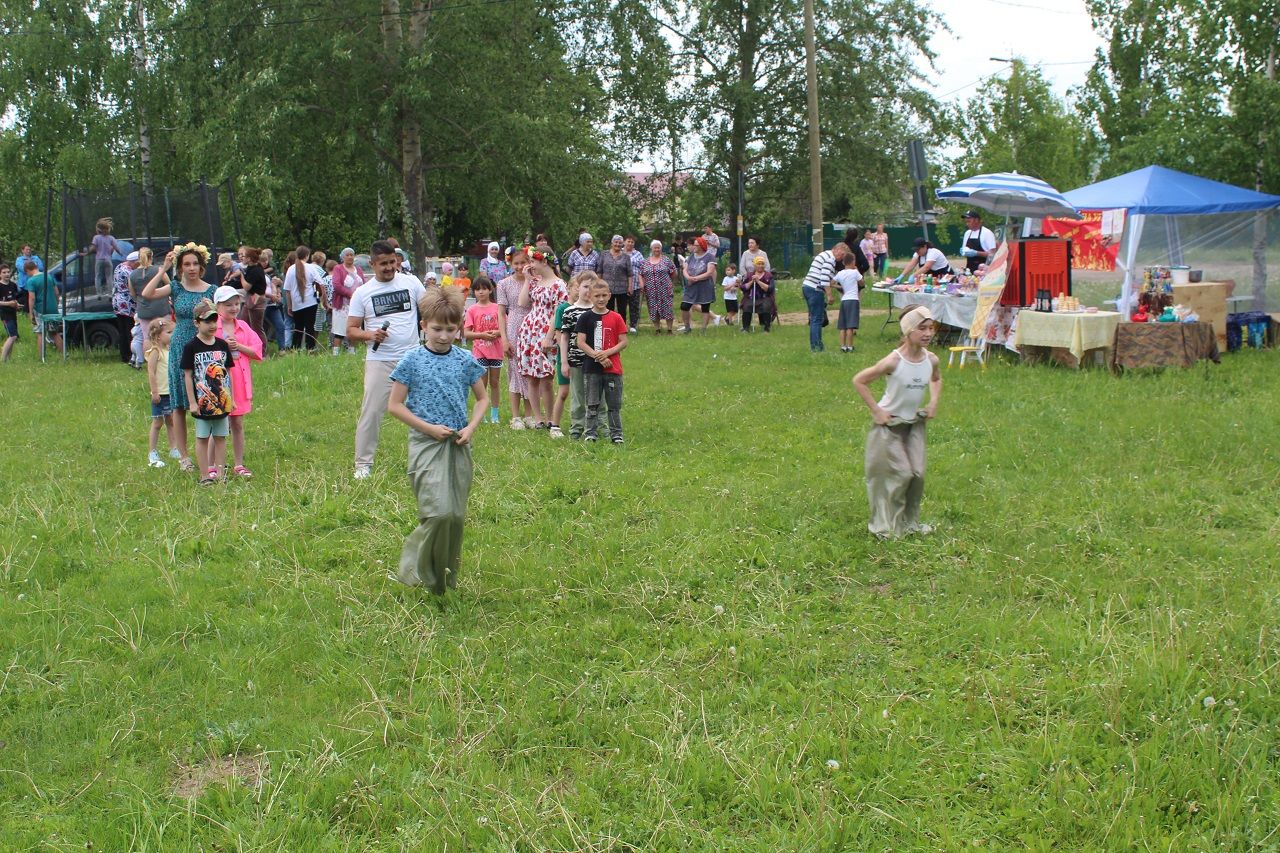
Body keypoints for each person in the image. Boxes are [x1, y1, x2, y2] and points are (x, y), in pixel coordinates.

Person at [387, 286, 488, 594]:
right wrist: (428, 428)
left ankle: (442, 581)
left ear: (458, 328)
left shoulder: (465, 360)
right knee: (438, 511)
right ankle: (414, 569)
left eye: (450, 328)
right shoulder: (412, 360)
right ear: (423, 326)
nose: (443, 335)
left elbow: (482, 399)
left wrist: (471, 428)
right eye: (436, 329)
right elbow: (394, 405)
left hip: (458, 442)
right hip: (426, 442)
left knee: (456, 516)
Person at [852, 305, 941, 539]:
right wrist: (877, 410)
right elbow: (860, 380)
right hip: (889, 426)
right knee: (900, 474)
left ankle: (910, 523)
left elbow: (936, 379)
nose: (928, 333)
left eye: (931, 328)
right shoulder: (893, 361)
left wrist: (933, 402)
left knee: (917, 475)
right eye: (922, 328)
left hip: (914, 424)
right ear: (908, 331)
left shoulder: (931, 359)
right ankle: (886, 526)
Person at [347, 239, 428, 479]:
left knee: (425, 408)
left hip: (413, 357)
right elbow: (350, 330)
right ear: (372, 264)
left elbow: (429, 310)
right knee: (371, 412)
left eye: (393, 262)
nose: (390, 267)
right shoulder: (363, 293)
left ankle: (428, 457)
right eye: (384, 264)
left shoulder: (411, 283)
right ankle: (363, 464)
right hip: (380, 360)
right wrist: (370, 334)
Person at [141, 242, 217, 472]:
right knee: (180, 405)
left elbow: (220, 316)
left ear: (201, 266)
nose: (191, 268)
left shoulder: (212, 289)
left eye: (195, 264)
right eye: (187, 264)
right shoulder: (176, 287)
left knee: (207, 400)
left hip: (204, 346)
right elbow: (147, 294)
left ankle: (209, 455)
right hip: (180, 346)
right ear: (181, 267)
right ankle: (184, 457)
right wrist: (163, 269)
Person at [181, 298, 235, 485]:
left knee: (220, 438)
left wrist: (232, 398)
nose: (212, 325)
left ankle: (220, 474)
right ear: (197, 323)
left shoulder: (222, 345)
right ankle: (205, 475)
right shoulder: (191, 347)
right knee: (202, 438)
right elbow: (188, 376)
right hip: (202, 402)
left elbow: (229, 373)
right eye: (207, 321)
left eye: (214, 320)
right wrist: (192, 402)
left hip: (222, 402)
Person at [212, 286, 264, 478]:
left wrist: (238, 346)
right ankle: (214, 464)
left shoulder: (243, 326)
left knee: (237, 423)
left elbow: (257, 352)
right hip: (218, 382)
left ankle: (239, 463)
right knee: (216, 423)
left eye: (236, 304)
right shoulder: (212, 327)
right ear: (217, 306)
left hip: (239, 381)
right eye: (228, 305)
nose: (233, 308)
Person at [515, 246, 567, 430]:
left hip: (546, 330)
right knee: (531, 377)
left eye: (533, 262)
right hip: (529, 330)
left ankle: (551, 417)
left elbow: (557, 312)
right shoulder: (535, 281)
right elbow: (522, 303)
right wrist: (527, 281)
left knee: (546, 377)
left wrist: (548, 336)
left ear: (544, 261)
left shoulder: (559, 284)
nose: (531, 265)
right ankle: (538, 419)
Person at [575, 279, 629, 444]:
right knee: (592, 403)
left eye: (604, 295)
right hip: (592, 369)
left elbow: (623, 341)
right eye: (597, 295)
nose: (600, 299)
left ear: (609, 296)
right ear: (590, 296)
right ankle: (590, 433)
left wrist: (606, 353)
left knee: (614, 405)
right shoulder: (585, 317)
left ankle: (616, 434)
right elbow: (580, 342)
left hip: (613, 368)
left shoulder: (616, 317)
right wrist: (596, 356)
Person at [559, 271, 602, 439]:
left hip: (596, 360)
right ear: (577, 287)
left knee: (596, 394)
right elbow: (564, 337)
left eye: (592, 287)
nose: (588, 290)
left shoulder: (599, 311)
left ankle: (594, 427)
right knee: (578, 395)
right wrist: (564, 362)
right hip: (576, 360)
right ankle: (576, 428)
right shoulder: (570, 311)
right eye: (585, 286)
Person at [495, 248, 534, 429]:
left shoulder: (535, 282)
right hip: (513, 325)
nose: (520, 267)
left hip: (532, 325)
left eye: (523, 263)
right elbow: (501, 313)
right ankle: (516, 416)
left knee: (529, 370)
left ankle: (529, 414)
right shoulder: (503, 284)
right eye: (516, 263)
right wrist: (504, 339)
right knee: (514, 370)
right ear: (511, 264)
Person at [462, 275, 504, 425]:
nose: (481, 292)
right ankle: (482, 413)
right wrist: (482, 335)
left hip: (496, 351)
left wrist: (497, 333)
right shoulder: (472, 309)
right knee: (482, 383)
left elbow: (504, 329)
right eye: (477, 289)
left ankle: (494, 414)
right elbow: (466, 333)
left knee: (495, 382)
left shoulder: (498, 308)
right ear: (474, 291)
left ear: (490, 289)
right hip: (479, 351)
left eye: (484, 288)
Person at [143, 317, 181, 466]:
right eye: (169, 332)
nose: (173, 335)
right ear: (158, 335)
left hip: (170, 392)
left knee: (171, 421)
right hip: (160, 394)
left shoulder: (169, 350)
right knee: (158, 422)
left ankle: (174, 448)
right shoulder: (155, 351)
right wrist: (154, 392)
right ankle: (152, 451)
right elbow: (151, 372)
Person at [547, 274, 581, 438]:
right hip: (566, 356)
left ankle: (581, 423)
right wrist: (566, 356)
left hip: (583, 356)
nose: (580, 291)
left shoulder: (586, 308)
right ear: (569, 288)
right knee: (564, 391)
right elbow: (560, 334)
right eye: (577, 287)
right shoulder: (563, 308)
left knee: (582, 391)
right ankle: (555, 425)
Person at [801, 242, 850, 352]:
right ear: (837, 250)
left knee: (815, 318)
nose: (841, 258)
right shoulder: (830, 259)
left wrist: (840, 286)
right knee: (817, 320)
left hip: (808, 287)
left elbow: (829, 278)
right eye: (842, 255)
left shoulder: (825, 255)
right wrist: (830, 295)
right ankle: (817, 347)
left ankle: (816, 345)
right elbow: (824, 279)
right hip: (815, 289)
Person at [283, 245, 324, 351]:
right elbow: (321, 283)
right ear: (307, 255)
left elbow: (287, 290)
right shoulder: (311, 268)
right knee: (310, 327)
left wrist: (290, 306)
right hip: (310, 302)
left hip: (296, 303)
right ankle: (310, 348)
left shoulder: (291, 269)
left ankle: (295, 348)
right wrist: (323, 299)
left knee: (298, 328)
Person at [328, 247, 364, 355]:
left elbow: (364, 284)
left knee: (354, 328)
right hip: (342, 305)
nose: (350, 257)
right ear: (343, 257)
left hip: (356, 305)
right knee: (340, 330)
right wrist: (351, 294)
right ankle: (336, 353)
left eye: (352, 255)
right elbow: (337, 285)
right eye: (347, 255)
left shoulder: (359, 269)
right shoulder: (338, 268)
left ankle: (352, 351)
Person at [130, 247, 167, 350]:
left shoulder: (132, 274)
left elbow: (133, 294)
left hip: (144, 310)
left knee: (147, 337)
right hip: (161, 308)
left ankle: (150, 359)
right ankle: (164, 358)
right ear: (151, 256)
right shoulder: (158, 270)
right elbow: (169, 285)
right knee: (164, 334)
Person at [679, 236, 717, 333]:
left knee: (705, 307)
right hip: (691, 286)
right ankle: (687, 327)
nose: (693, 247)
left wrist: (696, 278)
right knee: (684, 306)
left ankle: (703, 329)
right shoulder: (691, 256)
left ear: (701, 246)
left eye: (696, 245)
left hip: (705, 286)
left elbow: (709, 272)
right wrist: (688, 278)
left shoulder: (709, 257)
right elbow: (685, 269)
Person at [638, 240, 677, 333]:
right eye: (655, 247)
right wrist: (641, 284)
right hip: (650, 290)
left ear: (661, 249)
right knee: (653, 309)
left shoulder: (666, 260)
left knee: (668, 308)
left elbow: (674, 272)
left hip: (665, 289)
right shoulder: (645, 262)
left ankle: (669, 330)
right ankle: (657, 329)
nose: (656, 249)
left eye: (658, 247)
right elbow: (640, 273)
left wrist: (671, 283)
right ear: (651, 249)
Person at [25, 260, 63, 355]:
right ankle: (64, 353)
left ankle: (42, 357)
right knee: (54, 333)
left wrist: (31, 313)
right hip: (52, 308)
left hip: (40, 310)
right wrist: (56, 303)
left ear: (28, 270)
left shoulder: (31, 281)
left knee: (40, 333)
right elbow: (57, 292)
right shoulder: (48, 276)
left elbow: (32, 298)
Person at [600, 235, 634, 329]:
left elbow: (630, 273)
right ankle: (608, 326)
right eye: (616, 242)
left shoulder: (626, 257)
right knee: (607, 308)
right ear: (612, 243)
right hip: (607, 288)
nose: (617, 244)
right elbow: (599, 271)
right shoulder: (604, 254)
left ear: (622, 244)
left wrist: (630, 286)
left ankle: (621, 328)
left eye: (620, 243)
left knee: (622, 310)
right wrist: (599, 285)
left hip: (622, 288)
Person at [111, 251, 139, 365]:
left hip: (118, 301)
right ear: (134, 262)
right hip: (127, 303)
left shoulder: (119, 266)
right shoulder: (129, 272)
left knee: (122, 330)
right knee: (130, 330)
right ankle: (130, 355)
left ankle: (124, 355)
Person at [237, 247, 269, 346]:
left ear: (249, 259)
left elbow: (246, 286)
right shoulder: (252, 267)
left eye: (244, 256)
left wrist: (241, 275)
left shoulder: (255, 270)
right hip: (250, 299)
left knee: (257, 328)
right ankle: (246, 346)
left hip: (257, 300)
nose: (242, 257)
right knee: (243, 323)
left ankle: (262, 352)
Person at [834, 252, 863, 352]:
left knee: (843, 326)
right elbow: (862, 282)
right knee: (850, 326)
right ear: (853, 261)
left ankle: (843, 346)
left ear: (843, 262)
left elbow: (831, 283)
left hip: (844, 300)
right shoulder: (855, 272)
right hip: (853, 299)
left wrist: (840, 287)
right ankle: (850, 346)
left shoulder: (840, 273)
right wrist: (858, 270)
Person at [739, 256, 775, 332]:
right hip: (752, 297)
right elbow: (743, 287)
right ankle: (745, 328)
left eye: (762, 264)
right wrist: (752, 281)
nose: (760, 266)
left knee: (766, 306)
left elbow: (770, 288)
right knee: (747, 306)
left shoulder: (769, 275)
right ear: (755, 265)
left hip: (765, 297)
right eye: (758, 264)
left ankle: (766, 328)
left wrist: (758, 281)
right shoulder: (749, 275)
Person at [88, 218, 122, 297]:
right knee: (109, 277)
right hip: (108, 259)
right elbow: (116, 248)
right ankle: (110, 294)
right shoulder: (111, 238)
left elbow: (93, 248)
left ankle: (99, 294)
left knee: (98, 276)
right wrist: (121, 254)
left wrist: (86, 253)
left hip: (99, 259)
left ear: (99, 229)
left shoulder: (96, 237)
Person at [624, 235, 645, 333]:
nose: (630, 243)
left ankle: (633, 325)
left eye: (632, 242)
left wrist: (642, 282)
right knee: (622, 306)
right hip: (621, 284)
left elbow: (643, 269)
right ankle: (622, 325)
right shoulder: (620, 253)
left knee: (634, 306)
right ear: (624, 242)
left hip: (636, 283)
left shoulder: (638, 254)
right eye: (628, 241)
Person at [0, 264, 21, 361]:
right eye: (4, 272)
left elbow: (14, 299)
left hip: (13, 313)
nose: (7, 274)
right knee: (13, 335)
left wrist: (17, 305)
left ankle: (8, 359)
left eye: (8, 272)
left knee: (12, 336)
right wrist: (8, 303)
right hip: (4, 314)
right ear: (0, 274)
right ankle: (2, 359)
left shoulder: (13, 285)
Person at [721, 262, 740, 326]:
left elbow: (737, 286)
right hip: (727, 297)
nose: (727, 272)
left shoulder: (735, 278)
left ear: (733, 271)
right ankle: (730, 322)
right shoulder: (725, 278)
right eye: (726, 270)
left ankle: (727, 318)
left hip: (734, 297)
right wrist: (732, 285)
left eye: (729, 270)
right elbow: (725, 288)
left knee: (735, 310)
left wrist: (736, 287)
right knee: (729, 310)